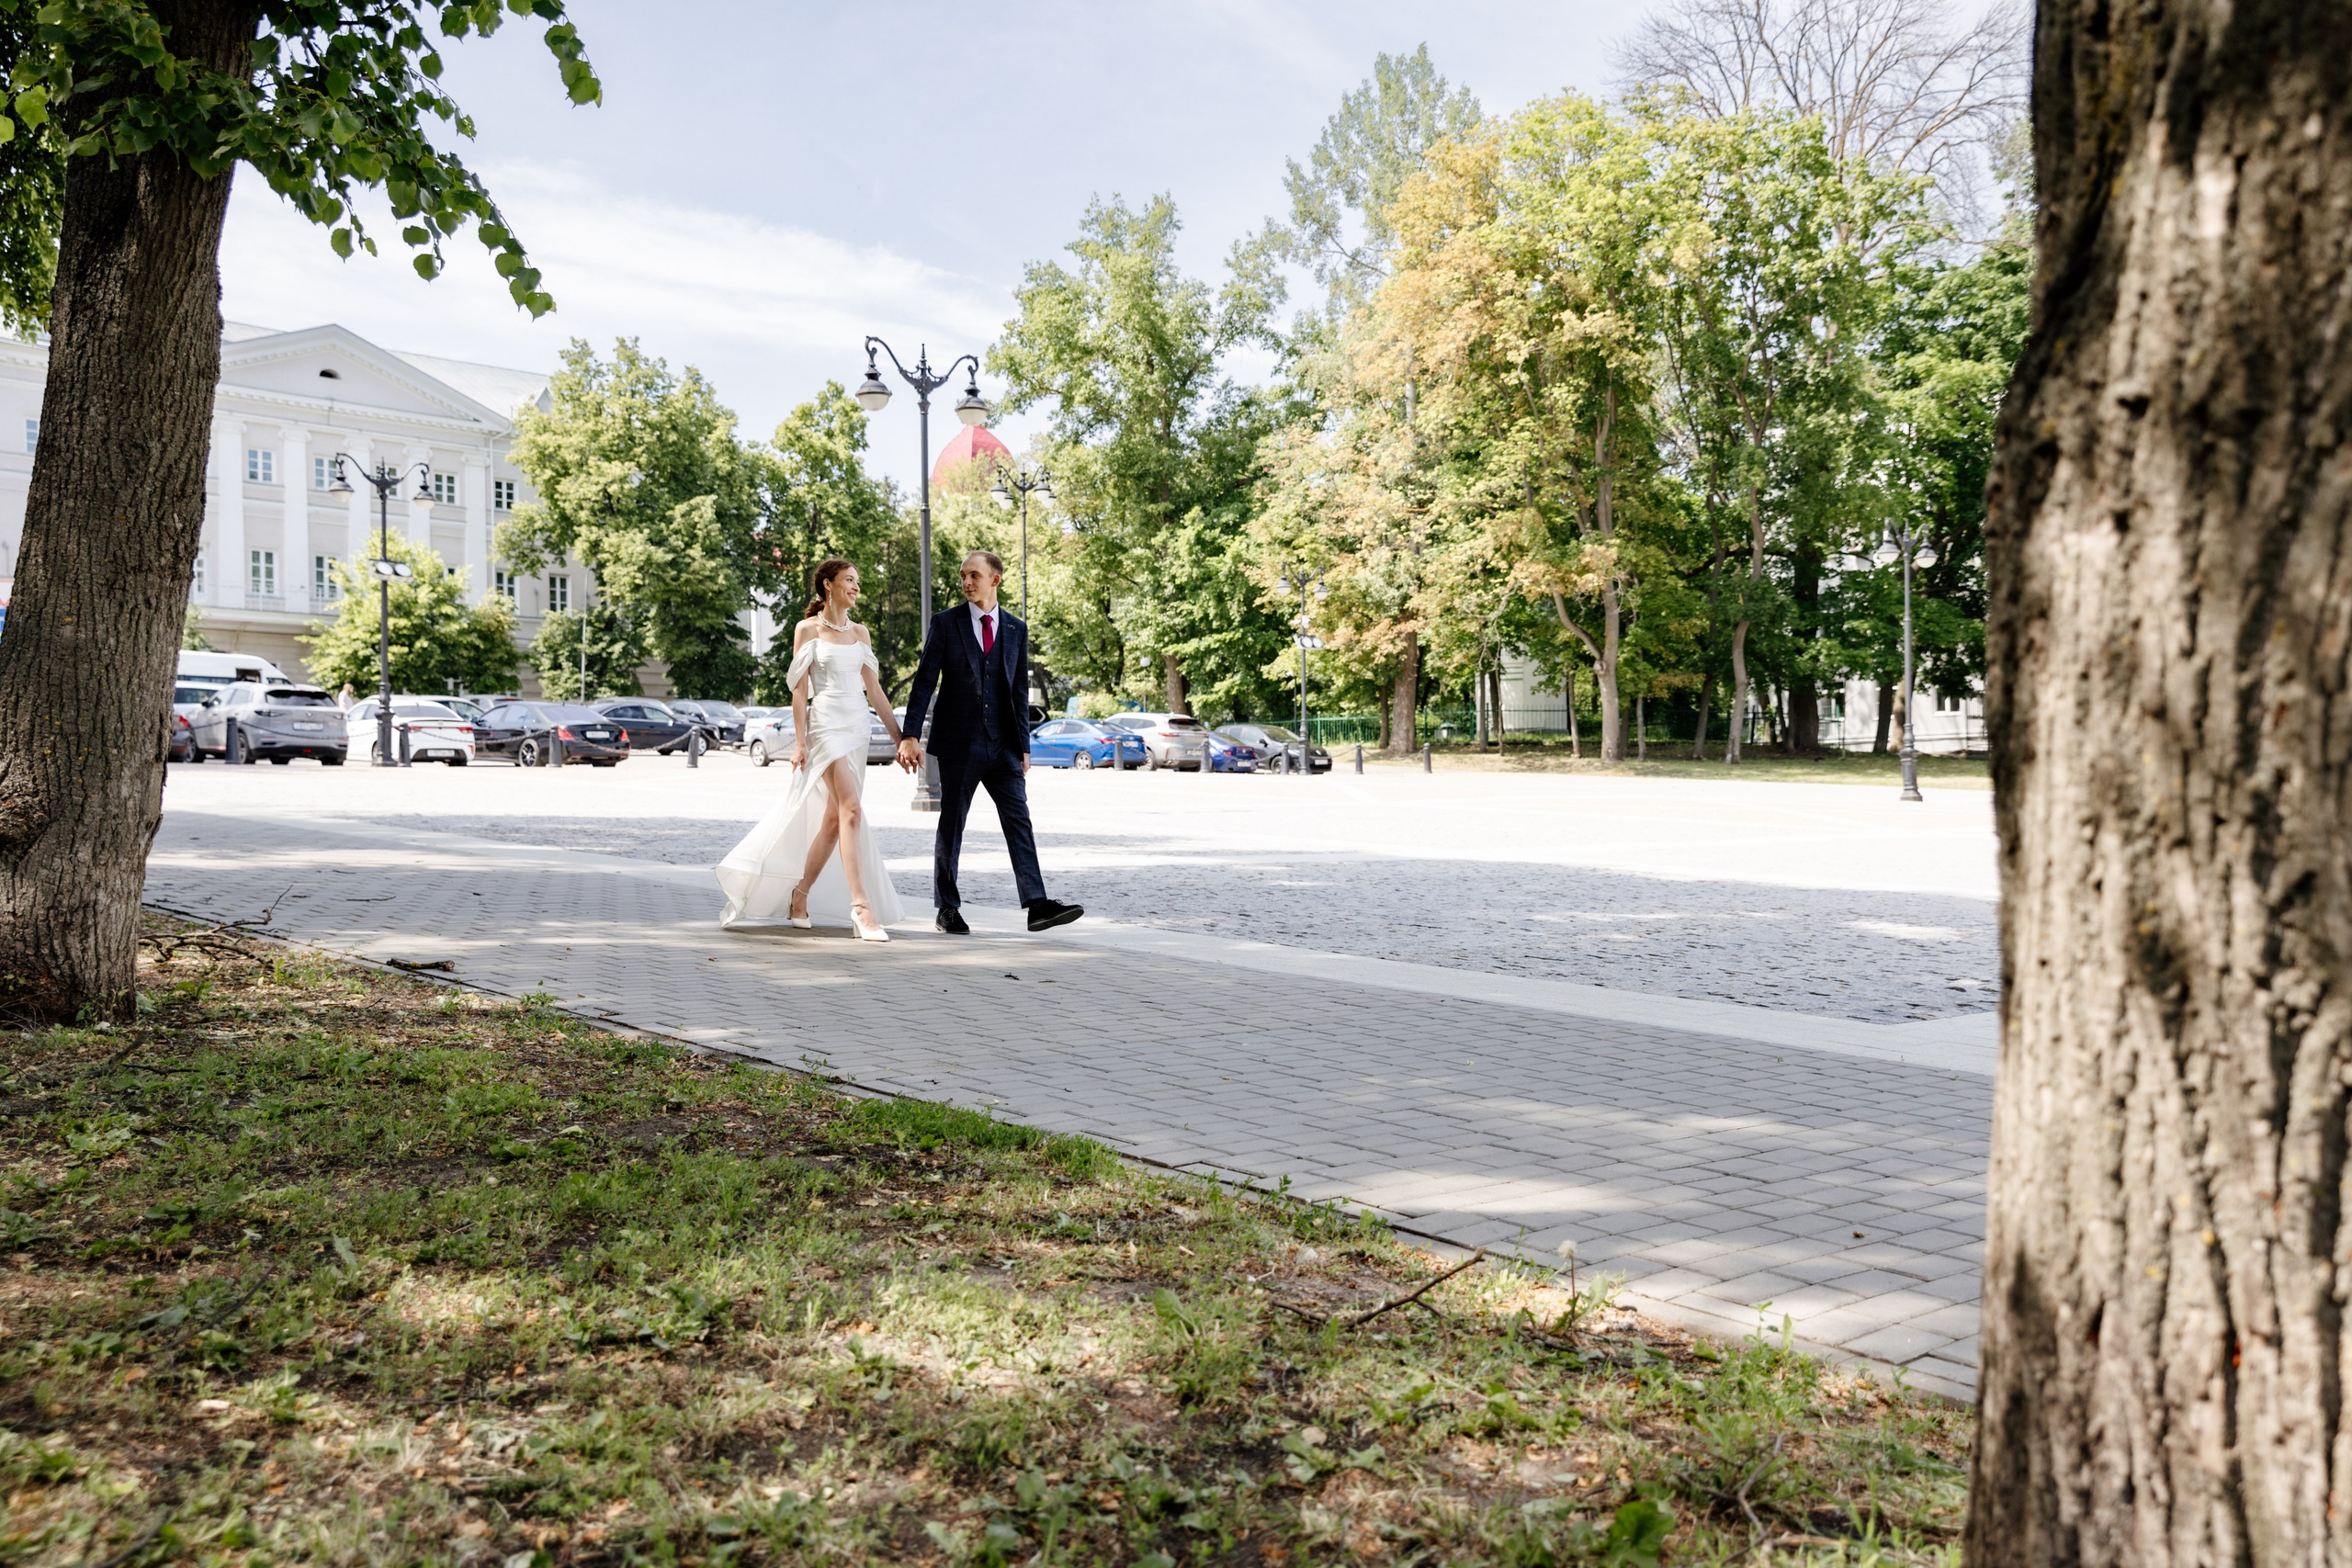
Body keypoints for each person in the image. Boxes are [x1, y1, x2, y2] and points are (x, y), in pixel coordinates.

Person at [715, 558, 911, 942]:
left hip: (857, 728)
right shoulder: (807, 629)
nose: (856, 587)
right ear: (827, 586)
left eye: (858, 581)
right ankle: (861, 907)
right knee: (852, 807)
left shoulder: (861, 633)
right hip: (825, 727)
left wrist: (901, 736)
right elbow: (800, 691)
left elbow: (875, 692)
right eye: (849, 580)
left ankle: (799, 894)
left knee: (836, 820)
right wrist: (800, 742)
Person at [898, 549, 1083, 935]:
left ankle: (1037, 905)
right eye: (963, 576)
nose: (966, 582)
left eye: (974, 576)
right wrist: (910, 735)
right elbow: (925, 681)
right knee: (952, 824)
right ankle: (947, 907)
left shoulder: (1015, 629)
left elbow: (1017, 691)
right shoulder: (946, 623)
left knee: (1020, 822)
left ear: (994, 580)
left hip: (1003, 748)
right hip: (958, 743)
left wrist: (1024, 747)